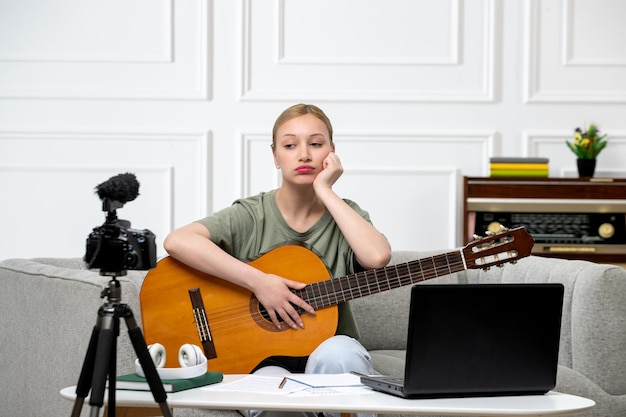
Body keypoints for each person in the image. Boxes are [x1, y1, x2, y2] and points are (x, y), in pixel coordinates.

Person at [164, 103, 391, 417]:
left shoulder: (346, 213)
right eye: (290, 145)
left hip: (330, 345)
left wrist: (324, 189)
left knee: (341, 358)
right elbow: (178, 241)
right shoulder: (252, 214)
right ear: (275, 156)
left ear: (332, 153)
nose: (304, 155)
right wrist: (260, 282)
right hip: (262, 359)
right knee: (271, 398)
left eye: (315, 143)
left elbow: (377, 257)